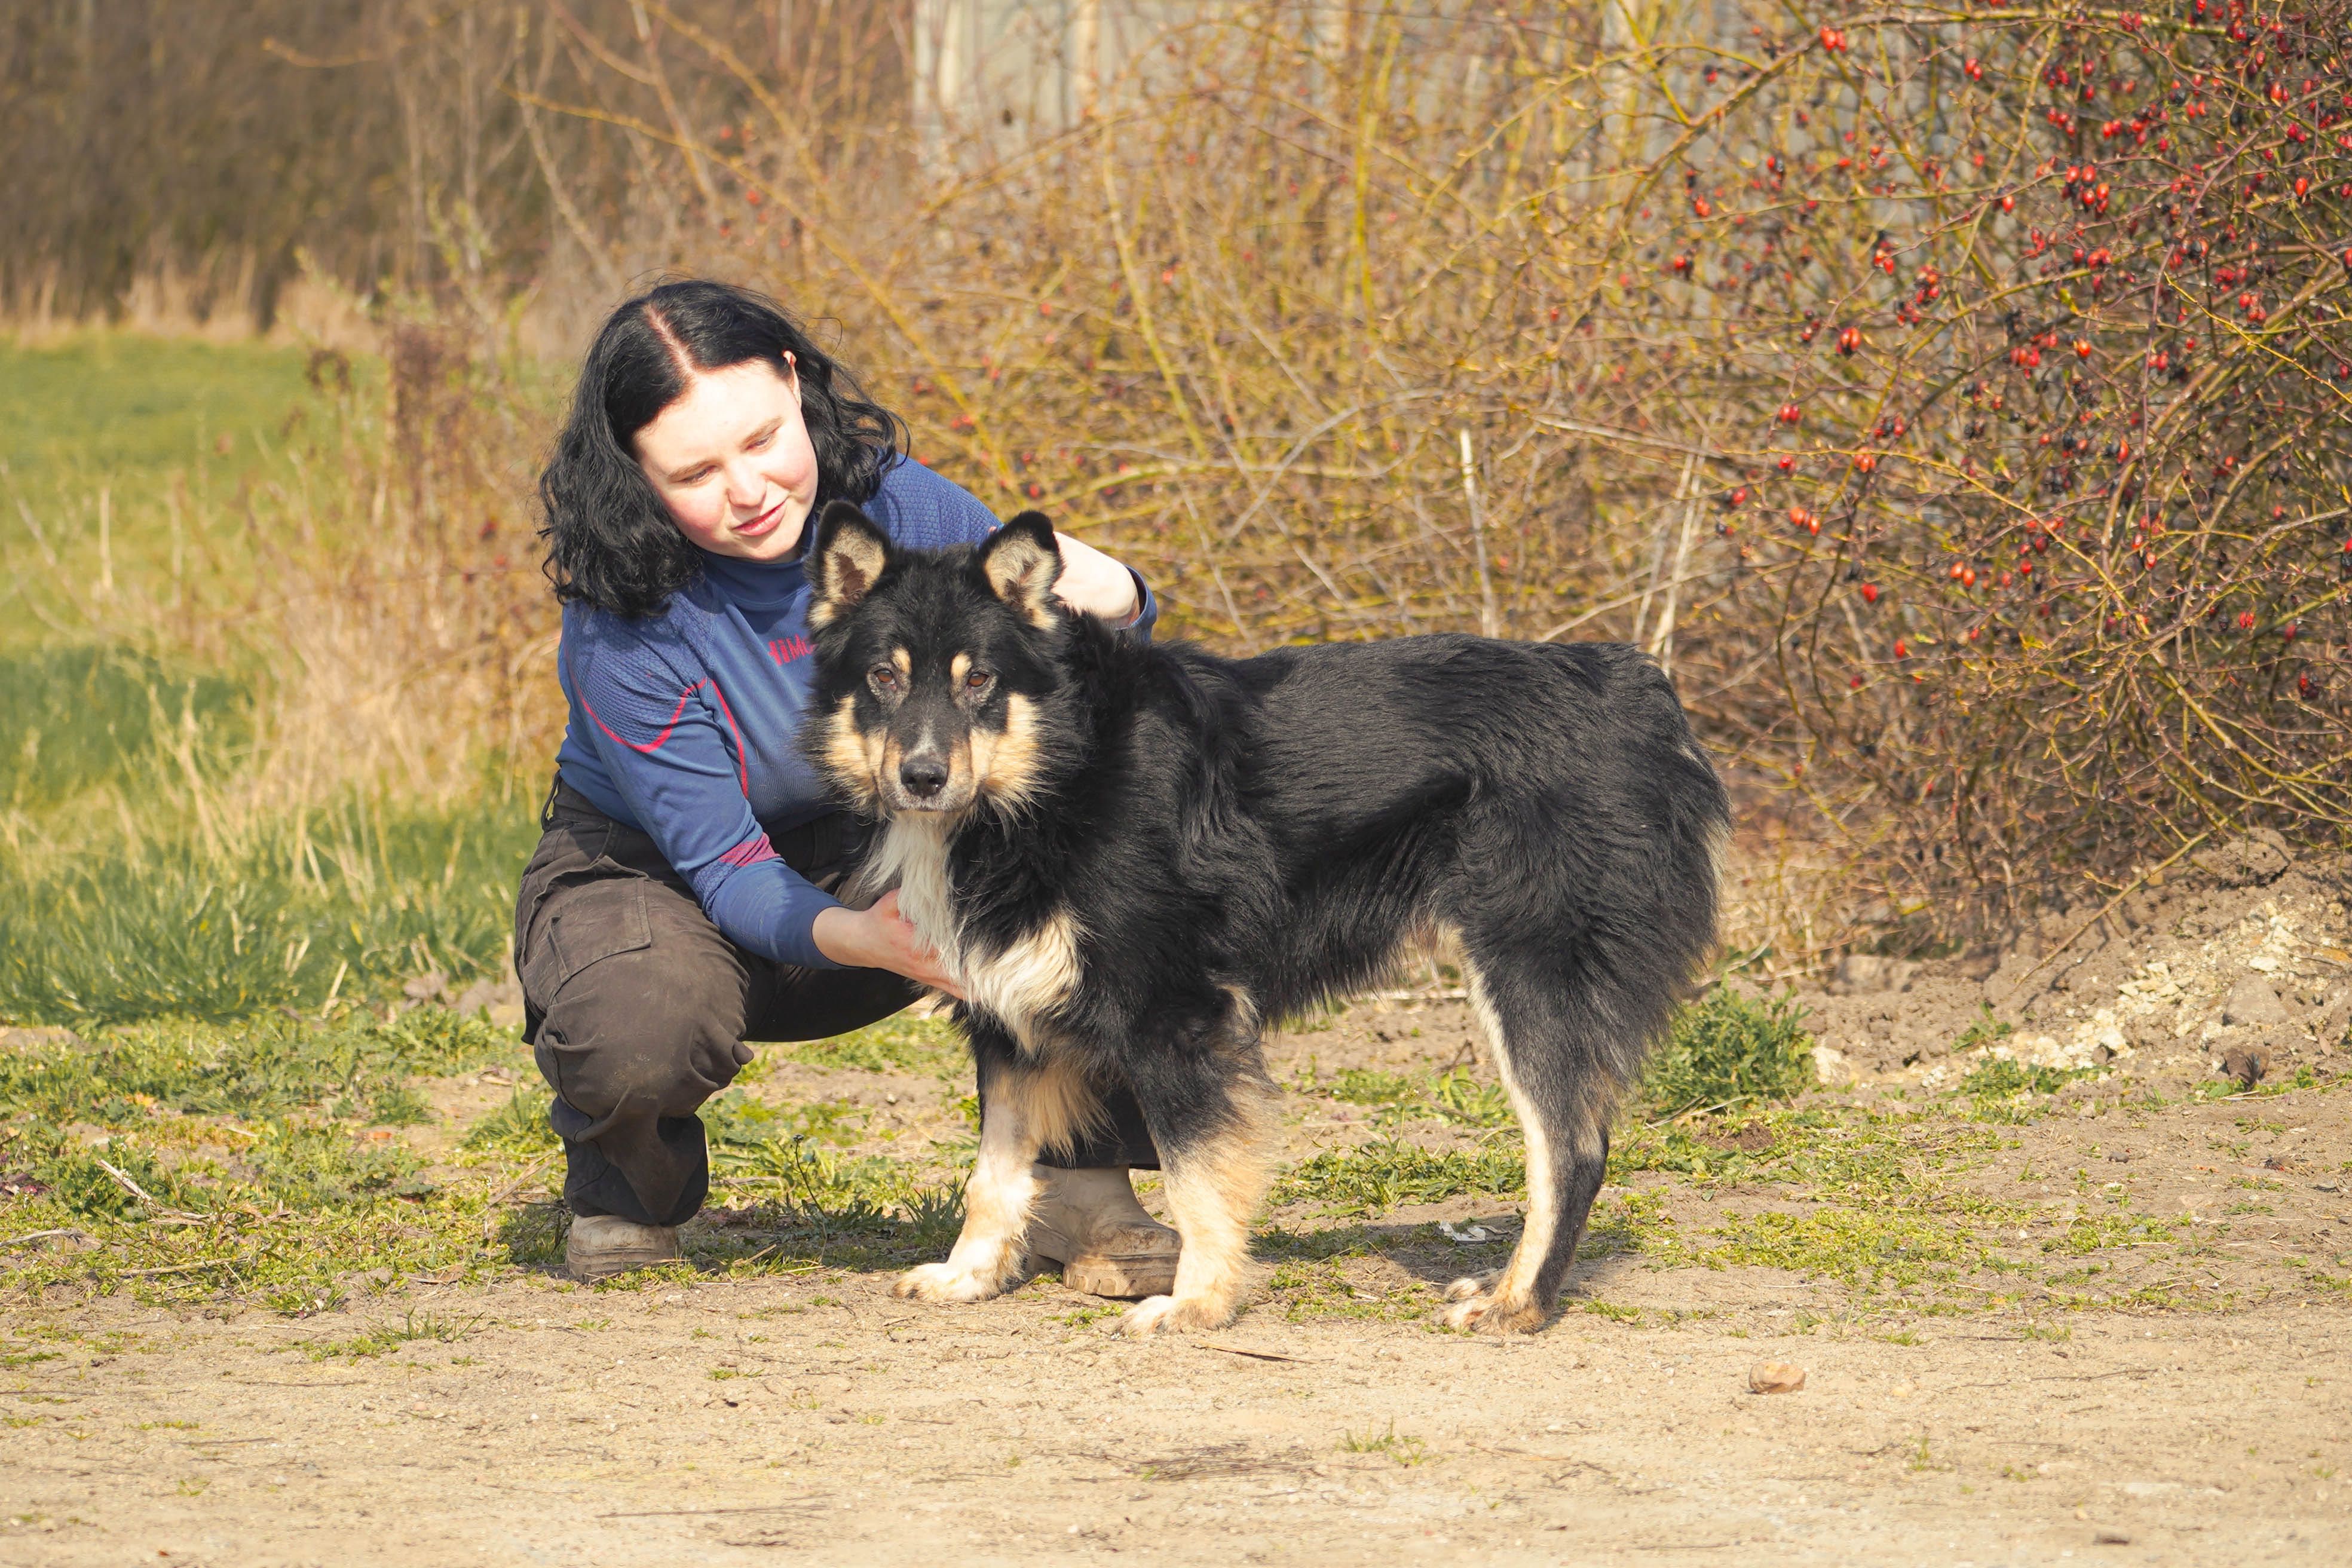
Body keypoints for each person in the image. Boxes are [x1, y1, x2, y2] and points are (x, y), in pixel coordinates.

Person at [520, 278, 1178, 1290]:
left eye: (762, 438)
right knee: (641, 1023)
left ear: (793, 381)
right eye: (695, 471)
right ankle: (627, 1190)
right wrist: (872, 937)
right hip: (660, 872)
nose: (748, 489)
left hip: (885, 826)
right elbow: (727, 865)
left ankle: (1081, 1186)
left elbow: (1056, 670)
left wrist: (1124, 591)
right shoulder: (622, 628)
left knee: (1092, 839)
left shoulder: (902, 504)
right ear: (637, 477)